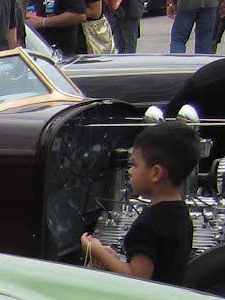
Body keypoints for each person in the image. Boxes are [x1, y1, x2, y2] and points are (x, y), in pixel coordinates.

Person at [80, 121, 197, 284]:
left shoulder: (149, 224)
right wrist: (112, 257)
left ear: (156, 173)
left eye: (134, 164)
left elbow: (137, 278)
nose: (129, 171)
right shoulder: (181, 214)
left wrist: (97, 251)